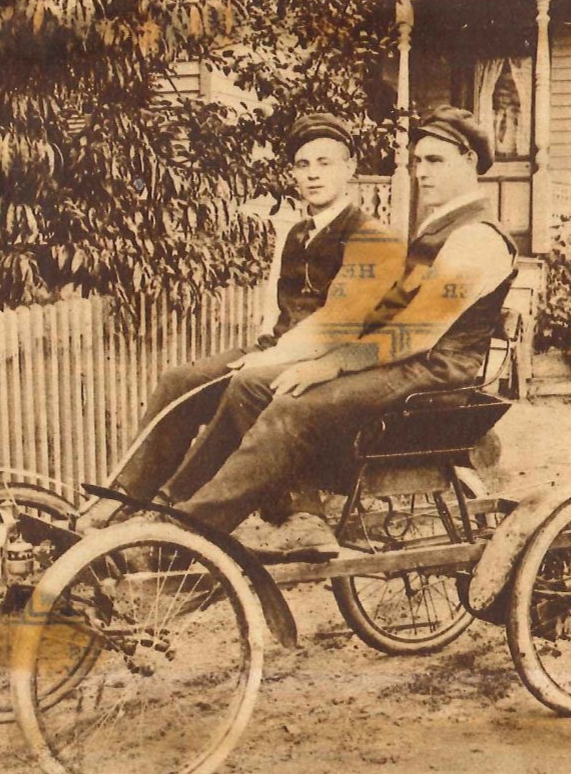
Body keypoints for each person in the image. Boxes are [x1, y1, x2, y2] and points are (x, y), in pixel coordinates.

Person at [160, 105, 518, 543]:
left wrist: (333, 364)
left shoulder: (476, 237)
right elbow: (390, 316)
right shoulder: (435, 229)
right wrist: (324, 353)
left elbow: (418, 332)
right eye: (417, 160)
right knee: (254, 383)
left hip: (436, 375)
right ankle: (183, 502)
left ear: (470, 161)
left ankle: (192, 531)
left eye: (435, 160)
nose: (422, 172)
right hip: (406, 363)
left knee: (297, 403)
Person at [84, 113, 404, 526]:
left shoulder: (372, 236)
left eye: (325, 163)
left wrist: (265, 359)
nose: (313, 175)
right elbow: (280, 310)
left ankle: (173, 505)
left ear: (350, 169)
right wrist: (262, 346)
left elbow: (338, 323)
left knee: (243, 383)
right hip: (280, 348)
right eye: (303, 165)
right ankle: (125, 497)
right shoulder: (296, 234)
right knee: (178, 381)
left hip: (331, 364)